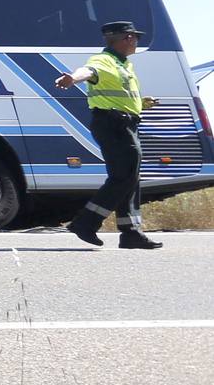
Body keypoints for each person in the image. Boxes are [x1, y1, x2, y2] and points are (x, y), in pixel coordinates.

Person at [53, 21, 162, 249]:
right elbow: (89, 72)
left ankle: (130, 231)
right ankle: (86, 222)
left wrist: (140, 104)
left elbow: (117, 94)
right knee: (126, 176)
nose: (136, 41)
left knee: (129, 177)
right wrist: (73, 78)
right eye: (134, 37)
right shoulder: (104, 60)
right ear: (126, 38)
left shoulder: (124, 64)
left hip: (123, 122)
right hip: (113, 123)